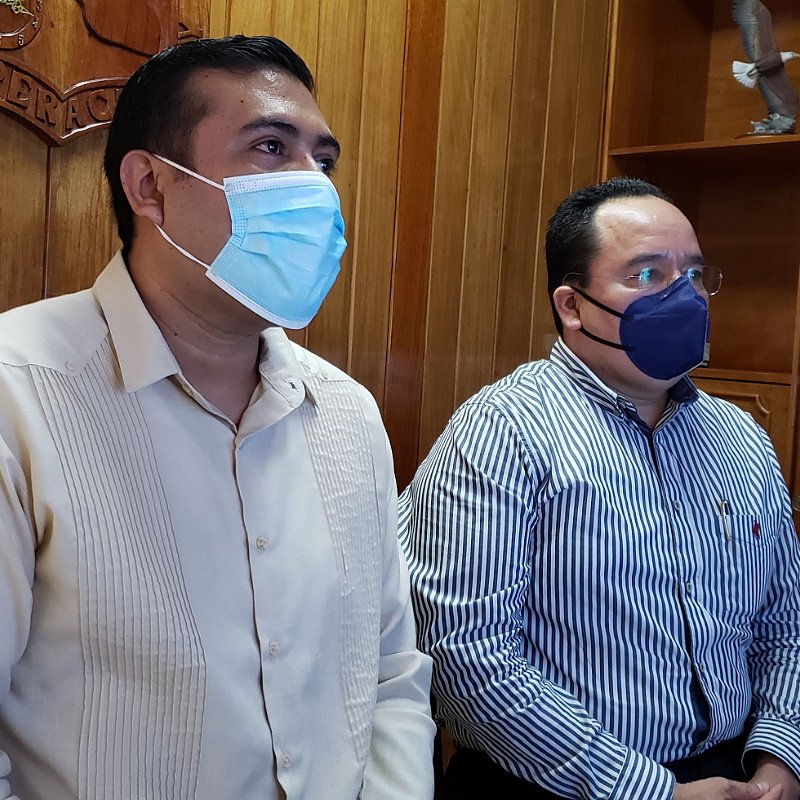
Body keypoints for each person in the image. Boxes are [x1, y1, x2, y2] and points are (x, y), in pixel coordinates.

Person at [0, 35, 435, 799]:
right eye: (270, 147)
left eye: (323, 160)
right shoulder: (19, 393)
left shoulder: (346, 413)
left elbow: (388, 669)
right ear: (151, 186)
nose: (315, 187)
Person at [399, 177, 800, 800]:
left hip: (734, 773)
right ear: (572, 305)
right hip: (554, 784)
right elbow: (465, 656)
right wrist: (652, 792)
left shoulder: (741, 435)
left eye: (694, 275)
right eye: (647, 275)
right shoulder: (502, 431)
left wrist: (780, 757)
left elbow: (784, 625)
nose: (685, 295)